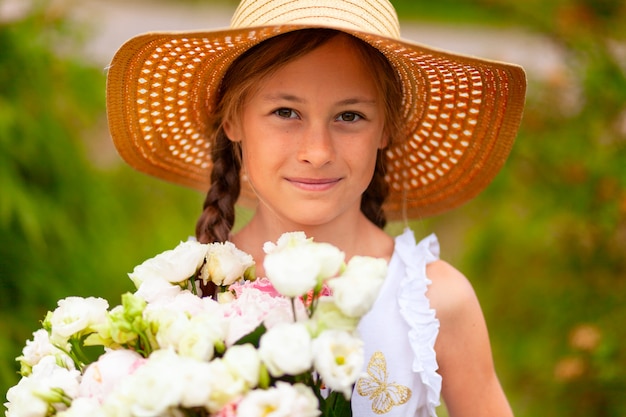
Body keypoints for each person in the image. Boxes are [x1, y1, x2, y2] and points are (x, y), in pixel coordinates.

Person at [105, 0, 526, 415]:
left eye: (349, 116)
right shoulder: (184, 305)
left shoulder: (435, 302)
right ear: (232, 120)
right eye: (285, 112)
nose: (318, 151)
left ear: (386, 128)